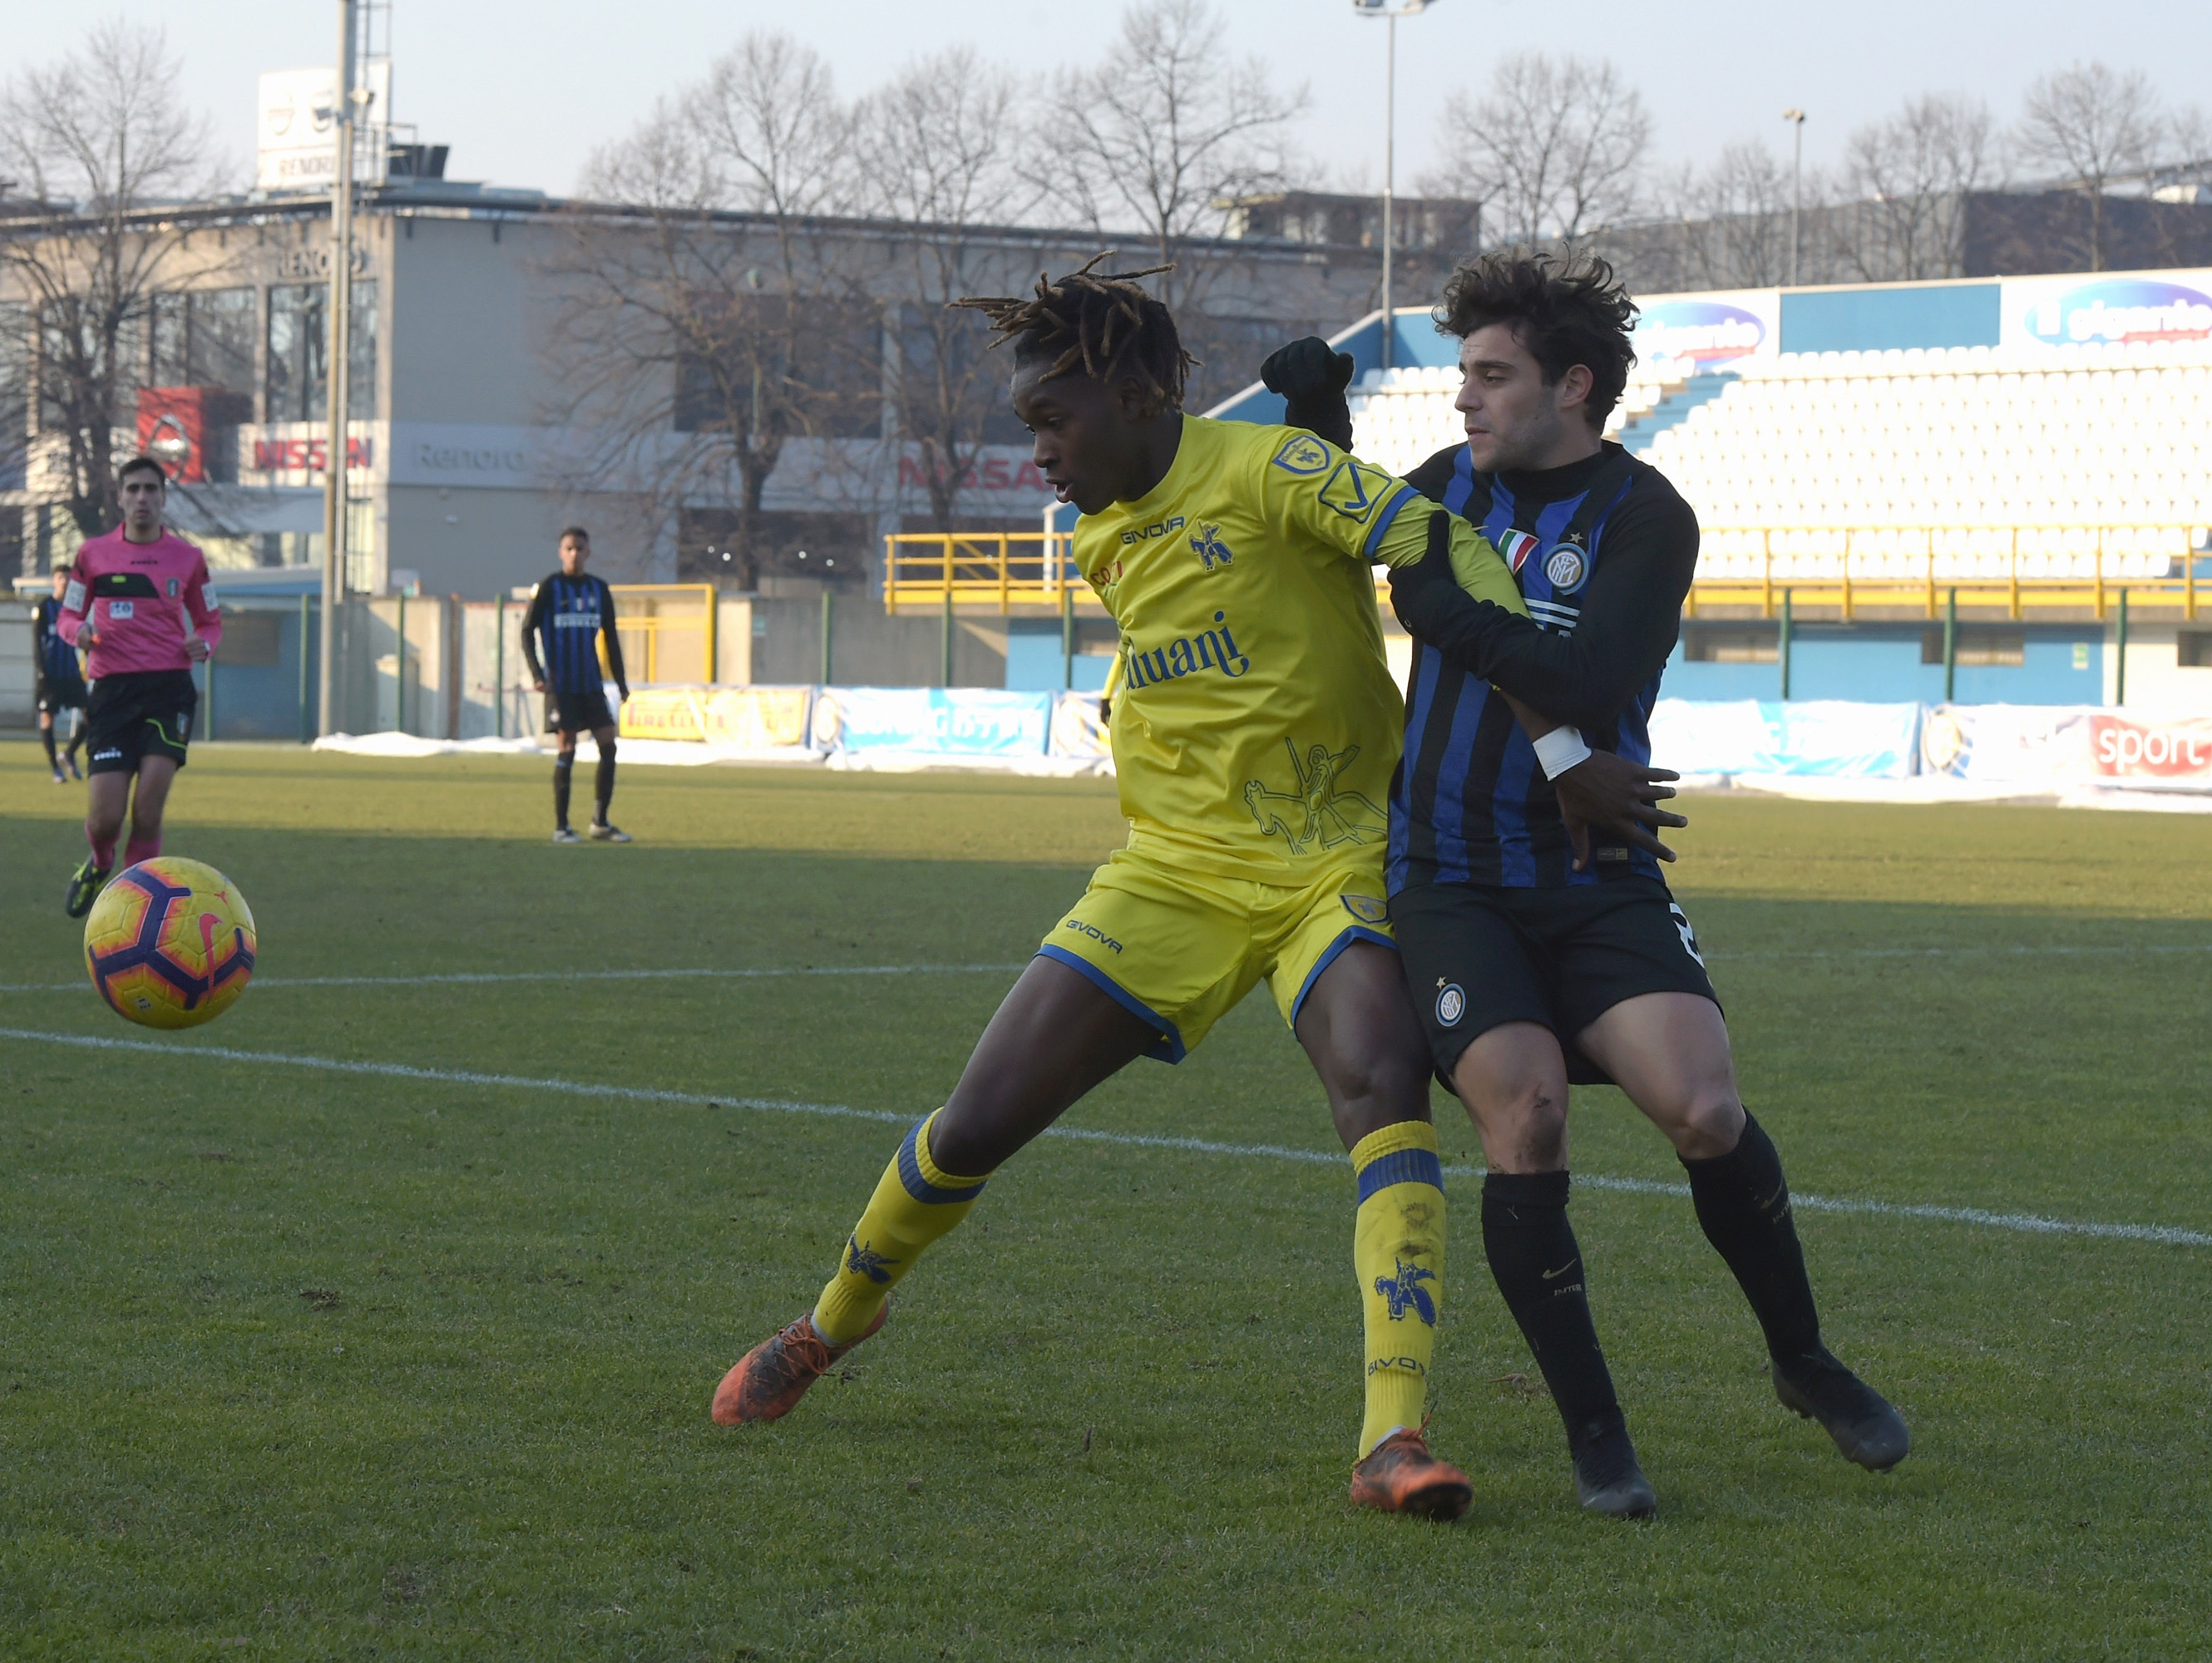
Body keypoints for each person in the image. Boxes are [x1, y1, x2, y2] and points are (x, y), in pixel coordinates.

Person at [709, 257, 1532, 1520]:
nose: (1038, 451)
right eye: (1030, 424)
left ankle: (1393, 1435)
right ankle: (831, 1322)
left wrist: (1548, 728)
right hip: (1172, 870)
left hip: (1334, 856)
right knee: (974, 1125)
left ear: (1140, 396)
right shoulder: (1099, 531)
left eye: (1053, 420)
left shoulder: (1272, 467)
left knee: (1381, 1081)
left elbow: (1437, 538)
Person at [1349, 249, 1908, 1517]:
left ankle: (1803, 1359)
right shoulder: (1440, 484)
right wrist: (1337, 442)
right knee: (1527, 1115)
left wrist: (1436, 603)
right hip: (1450, 877)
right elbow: (1345, 535)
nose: (1465, 398)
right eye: (1463, 374)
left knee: (1703, 1108)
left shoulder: (1647, 515)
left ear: (1573, 385)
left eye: (1493, 375)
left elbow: (1591, 679)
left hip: (1596, 873)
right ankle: (1598, 1434)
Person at [58, 454, 221, 917]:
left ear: (164, 498)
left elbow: (210, 621)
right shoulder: (92, 555)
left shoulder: (188, 558)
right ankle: (100, 862)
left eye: (151, 489)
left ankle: (135, 903)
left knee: (147, 812)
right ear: (120, 498)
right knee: (105, 820)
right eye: (133, 489)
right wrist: (79, 633)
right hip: (112, 693)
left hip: (168, 692)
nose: (142, 498)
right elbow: (68, 615)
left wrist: (204, 644)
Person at [520, 527, 631, 844]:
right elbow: (527, 631)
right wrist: (538, 674)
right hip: (561, 685)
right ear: (560, 552)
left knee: (608, 745)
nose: (574, 554)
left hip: (591, 684)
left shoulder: (599, 589)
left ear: (588, 553)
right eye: (569, 548)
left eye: (580, 549)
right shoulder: (549, 588)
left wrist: (621, 682)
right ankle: (562, 827)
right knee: (567, 747)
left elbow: (611, 638)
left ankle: (600, 822)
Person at [31, 564, 89, 783]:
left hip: (71, 672)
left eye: (67, 578)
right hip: (50, 675)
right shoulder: (44, 608)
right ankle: (56, 769)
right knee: (47, 717)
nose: (64, 582)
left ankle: (69, 753)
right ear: (53, 581)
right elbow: (37, 641)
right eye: (60, 578)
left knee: (92, 714)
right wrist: (41, 670)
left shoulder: (76, 609)